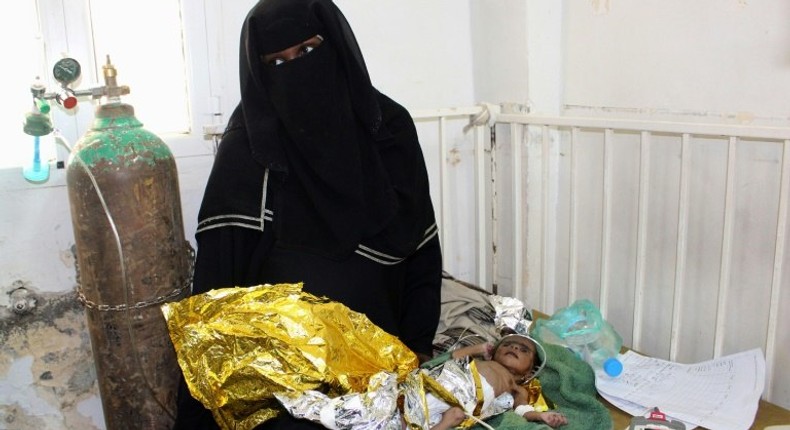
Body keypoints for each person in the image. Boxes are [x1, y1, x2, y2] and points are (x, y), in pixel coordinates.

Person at [172, 0, 442, 428]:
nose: (295, 70)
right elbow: (218, 272)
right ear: (260, 71)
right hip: (282, 354)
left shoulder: (386, 126)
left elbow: (422, 246)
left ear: (335, 45)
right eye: (276, 62)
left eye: (309, 51)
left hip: (376, 341)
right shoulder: (252, 141)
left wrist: (418, 344)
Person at [420, 334, 568, 429]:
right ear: (491, 356)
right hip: (447, 380)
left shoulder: (516, 388)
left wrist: (542, 416)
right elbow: (452, 357)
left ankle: (446, 422)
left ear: (529, 373)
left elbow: (523, 410)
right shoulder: (478, 362)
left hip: (467, 401)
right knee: (411, 406)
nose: (514, 347)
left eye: (524, 350)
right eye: (506, 345)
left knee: (431, 417)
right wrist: (478, 349)